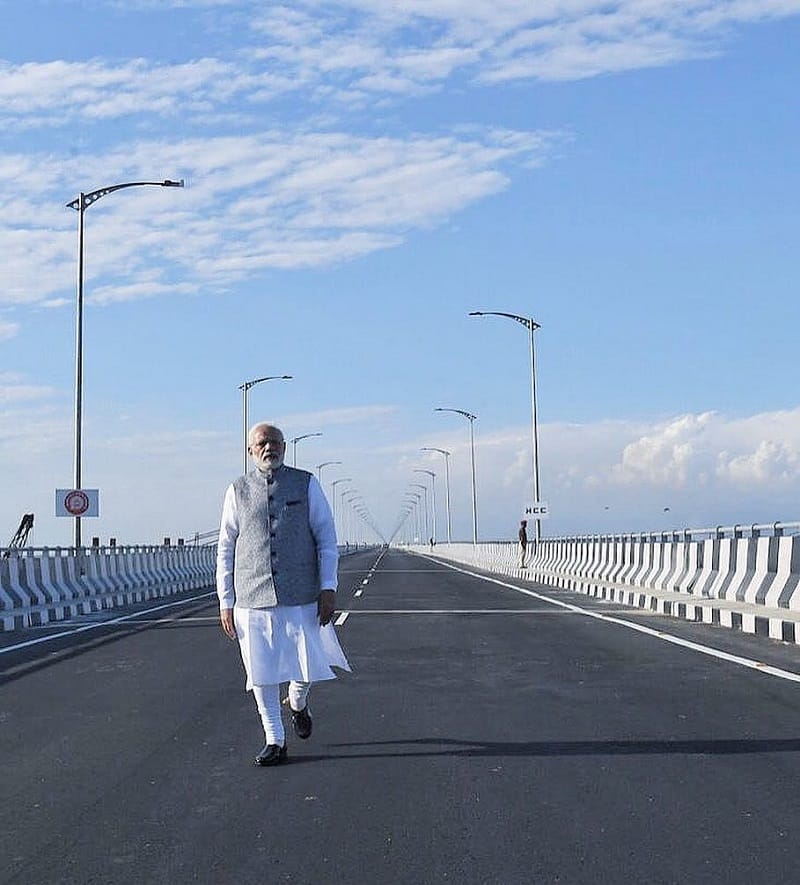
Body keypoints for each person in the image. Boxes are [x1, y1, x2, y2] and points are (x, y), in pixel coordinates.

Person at [216, 422, 350, 766]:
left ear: (284, 447)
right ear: (250, 450)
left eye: (275, 442)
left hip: (302, 594)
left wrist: (328, 588)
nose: (268, 448)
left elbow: (326, 538)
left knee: (308, 664)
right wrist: (225, 600)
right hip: (251, 597)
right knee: (260, 672)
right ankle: (274, 739)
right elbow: (225, 547)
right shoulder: (237, 490)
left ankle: (298, 701)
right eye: (261, 443)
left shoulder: (306, 484)